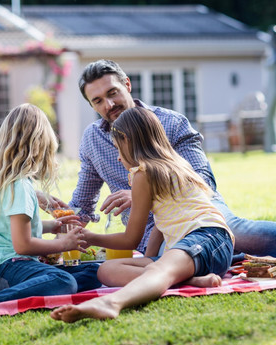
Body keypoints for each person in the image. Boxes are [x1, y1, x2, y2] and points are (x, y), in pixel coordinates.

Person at [69, 59, 276, 260]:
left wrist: (141, 194)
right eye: (98, 100)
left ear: (127, 84)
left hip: (198, 212)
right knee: (172, 261)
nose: (109, 104)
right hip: (149, 234)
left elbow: (203, 180)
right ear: (92, 105)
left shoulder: (171, 121)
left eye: (112, 92)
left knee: (237, 234)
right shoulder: (92, 140)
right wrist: (63, 227)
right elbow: (82, 202)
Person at [50, 106, 234, 323]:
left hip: (207, 238)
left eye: (118, 149)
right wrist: (150, 256)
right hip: (204, 247)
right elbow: (161, 222)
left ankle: (111, 303)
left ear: (127, 140)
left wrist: (88, 237)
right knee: (107, 270)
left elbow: (130, 239)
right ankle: (191, 280)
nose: (118, 158)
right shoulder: (169, 164)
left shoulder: (144, 173)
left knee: (160, 269)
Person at [0, 103, 101, 319]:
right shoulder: (20, 186)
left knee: (92, 272)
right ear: (38, 146)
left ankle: (38, 285)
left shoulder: (11, 182)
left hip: (4, 267)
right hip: (6, 267)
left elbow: (14, 227)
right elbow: (22, 244)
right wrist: (63, 244)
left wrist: (53, 226)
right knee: (64, 282)